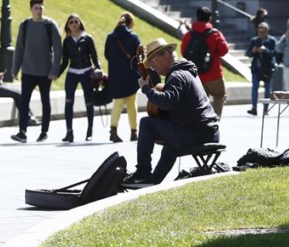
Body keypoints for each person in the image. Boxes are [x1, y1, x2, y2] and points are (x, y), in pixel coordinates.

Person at [123, 38, 220, 186]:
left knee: (146, 123)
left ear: (167, 54)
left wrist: (146, 89)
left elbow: (168, 102)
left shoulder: (177, 75)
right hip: (209, 132)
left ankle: (143, 173)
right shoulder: (187, 71)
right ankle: (152, 183)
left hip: (197, 134)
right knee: (171, 147)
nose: (153, 67)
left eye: (154, 61)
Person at [11, 0, 62, 143]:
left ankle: (44, 131)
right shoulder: (25, 25)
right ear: (31, 9)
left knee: (45, 101)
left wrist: (54, 70)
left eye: (41, 8)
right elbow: (19, 48)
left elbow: (58, 49)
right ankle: (22, 132)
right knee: (24, 101)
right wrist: (15, 68)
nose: (39, 10)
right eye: (36, 8)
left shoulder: (50, 25)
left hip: (46, 72)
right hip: (28, 70)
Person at [58, 14, 101, 143]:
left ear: (80, 23)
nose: (74, 24)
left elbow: (94, 57)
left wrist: (98, 69)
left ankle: (90, 130)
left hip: (86, 72)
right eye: (71, 22)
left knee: (89, 101)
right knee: (68, 101)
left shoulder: (88, 39)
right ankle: (69, 132)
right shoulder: (66, 41)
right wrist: (57, 74)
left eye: (76, 22)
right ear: (68, 26)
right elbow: (65, 61)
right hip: (72, 72)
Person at [181, 7, 230, 119]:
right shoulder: (215, 34)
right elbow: (224, 51)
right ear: (210, 18)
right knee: (219, 96)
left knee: (201, 99)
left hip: (195, 75)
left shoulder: (189, 35)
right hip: (214, 74)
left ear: (196, 18)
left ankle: (202, 122)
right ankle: (215, 121)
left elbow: (184, 52)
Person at [104, 12, 142, 143]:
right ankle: (134, 132)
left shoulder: (110, 37)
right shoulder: (134, 37)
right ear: (131, 23)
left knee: (118, 104)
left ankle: (113, 130)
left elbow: (106, 55)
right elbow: (140, 56)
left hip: (115, 75)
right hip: (131, 75)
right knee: (132, 104)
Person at [246, 22, 277, 116]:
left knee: (268, 89)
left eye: (263, 32)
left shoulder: (272, 40)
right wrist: (253, 51)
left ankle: (266, 108)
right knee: (254, 88)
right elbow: (248, 53)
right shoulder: (254, 40)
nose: (261, 34)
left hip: (267, 68)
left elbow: (275, 53)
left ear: (267, 31)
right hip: (256, 68)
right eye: (259, 31)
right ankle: (254, 108)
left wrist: (265, 50)